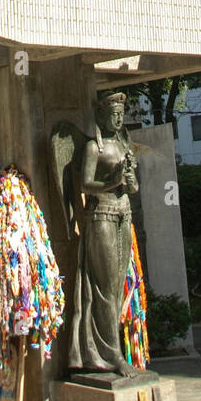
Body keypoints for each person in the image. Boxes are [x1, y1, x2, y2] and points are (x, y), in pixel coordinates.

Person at [68, 91, 140, 376]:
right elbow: (85, 184)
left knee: (119, 282)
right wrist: (111, 182)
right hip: (101, 216)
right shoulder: (92, 148)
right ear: (101, 115)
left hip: (124, 214)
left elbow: (133, 188)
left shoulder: (124, 146)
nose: (118, 118)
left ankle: (111, 350)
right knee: (105, 286)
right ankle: (111, 355)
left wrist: (129, 181)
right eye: (113, 113)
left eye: (121, 113)